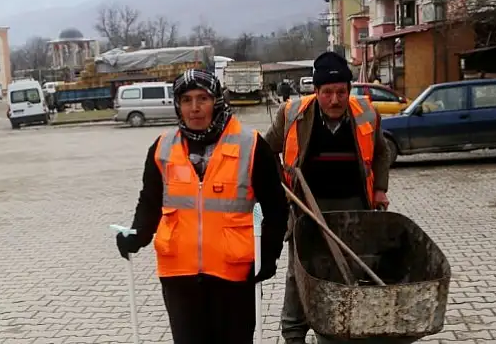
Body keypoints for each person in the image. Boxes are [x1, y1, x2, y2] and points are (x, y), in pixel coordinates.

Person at [115, 69, 289, 344]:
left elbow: (277, 208)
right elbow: (150, 201)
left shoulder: (251, 145)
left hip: (234, 275)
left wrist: (268, 254)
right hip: (179, 276)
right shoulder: (162, 148)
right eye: (186, 100)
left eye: (202, 98)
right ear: (177, 105)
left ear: (217, 100)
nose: (194, 108)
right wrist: (137, 234)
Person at [264, 51, 391, 344]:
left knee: (343, 274)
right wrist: (277, 187)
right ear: (316, 91)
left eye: (341, 92)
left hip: (354, 211)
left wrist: (380, 188)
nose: (335, 100)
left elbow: (382, 152)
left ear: (349, 90)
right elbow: (266, 148)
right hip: (306, 210)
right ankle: (294, 334)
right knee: (300, 276)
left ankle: (332, 333)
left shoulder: (367, 114)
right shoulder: (293, 114)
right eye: (327, 92)